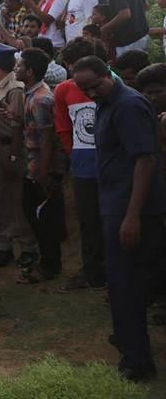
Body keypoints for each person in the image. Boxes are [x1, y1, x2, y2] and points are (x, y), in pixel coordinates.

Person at [72, 56, 165, 382]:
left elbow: (144, 161)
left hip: (131, 209)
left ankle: (137, 361)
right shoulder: (106, 103)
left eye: (95, 86)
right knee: (120, 283)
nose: (91, 93)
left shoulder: (128, 105)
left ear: (107, 75)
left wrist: (132, 217)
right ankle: (128, 339)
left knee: (128, 284)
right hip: (115, 206)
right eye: (85, 90)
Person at [54, 38, 106, 291]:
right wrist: (73, 154)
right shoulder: (63, 90)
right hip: (83, 166)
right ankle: (92, 270)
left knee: (113, 218)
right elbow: (63, 127)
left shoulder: (111, 84)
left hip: (111, 165)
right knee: (88, 221)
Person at [15, 48, 63, 283]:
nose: (16, 68)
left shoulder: (41, 99)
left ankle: (50, 266)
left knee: (44, 220)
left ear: (30, 71)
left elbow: (47, 139)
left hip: (41, 168)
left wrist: (43, 173)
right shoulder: (31, 93)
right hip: (33, 164)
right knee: (34, 215)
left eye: (20, 65)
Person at [0, 43, 36, 269]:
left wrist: (15, 154)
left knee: (17, 199)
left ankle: (26, 246)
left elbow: (17, 125)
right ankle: (4, 244)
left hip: (11, 149)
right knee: (0, 198)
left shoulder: (14, 88)